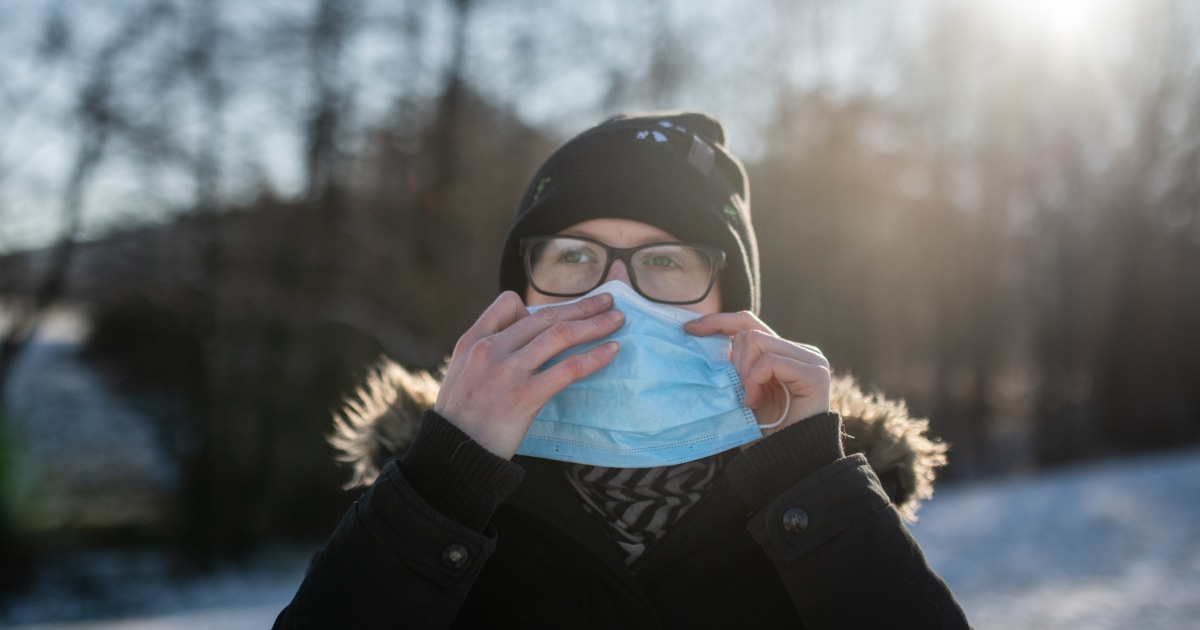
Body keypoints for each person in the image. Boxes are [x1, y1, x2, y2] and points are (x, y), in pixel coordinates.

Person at [274, 112, 969, 628]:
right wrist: (444, 477)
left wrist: (810, 478)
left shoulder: (817, 491)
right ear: (521, 293)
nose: (616, 295)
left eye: (664, 261)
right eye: (574, 257)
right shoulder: (428, 493)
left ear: (733, 306)